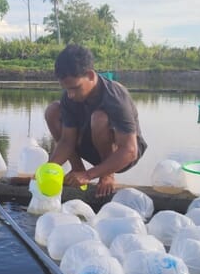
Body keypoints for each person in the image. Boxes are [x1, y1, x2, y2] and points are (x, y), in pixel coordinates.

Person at [45, 44, 147, 197]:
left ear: (91, 76)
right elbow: (67, 141)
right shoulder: (69, 97)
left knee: (99, 118)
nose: (70, 95)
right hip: (91, 145)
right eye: (67, 89)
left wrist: (88, 175)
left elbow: (129, 151)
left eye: (75, 88)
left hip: (121, 155)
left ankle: (107, 174)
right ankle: (77, 168)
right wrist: (47, 171)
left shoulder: (115, 96)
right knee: (52, 111)